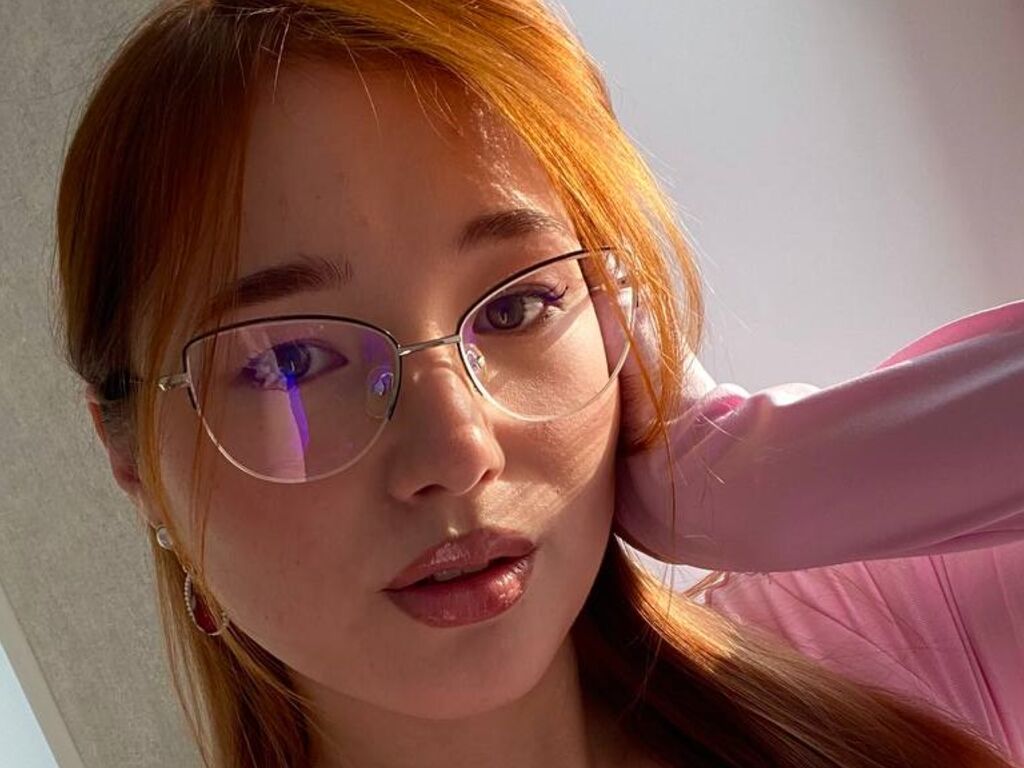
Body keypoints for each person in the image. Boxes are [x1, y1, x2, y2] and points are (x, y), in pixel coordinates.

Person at [53, 1, 1022, 766]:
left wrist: (765, 477)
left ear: (614, 317)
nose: (457, 448)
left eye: (517, 307)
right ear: (130, 457)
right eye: (290, 362)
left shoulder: (886, 644)